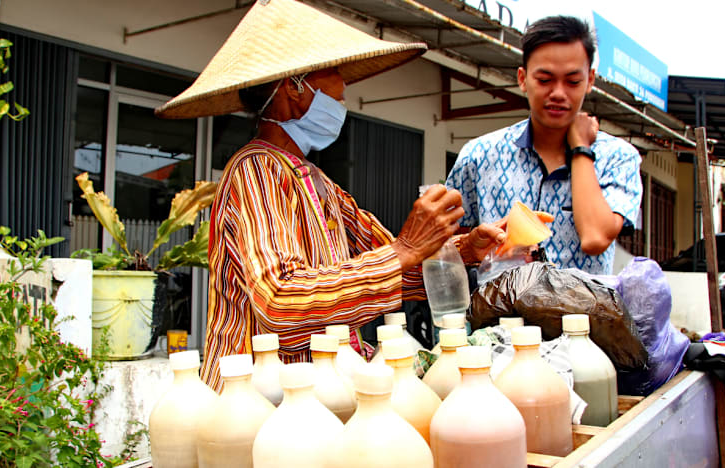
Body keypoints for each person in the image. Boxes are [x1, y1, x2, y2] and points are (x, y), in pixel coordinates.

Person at [156, 0, 506, 391]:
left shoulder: (318, 182)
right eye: (335, 72)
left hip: (319, 394)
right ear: (295, 86)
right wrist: (405, 248)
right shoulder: (254, 171)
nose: (344, 92)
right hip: (259, 403)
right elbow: (279, 300)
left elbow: (392, 271)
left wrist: (463, 251)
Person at [445, 15, 643, 275]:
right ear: (522, 79)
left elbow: (595, 238)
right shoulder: (479, 156)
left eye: (572, 81)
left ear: (590, 80)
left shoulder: (618, 158)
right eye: (545, 79)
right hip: (498, 314)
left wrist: (582, 149)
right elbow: (444, 249)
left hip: (582, 316)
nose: (559, 93)